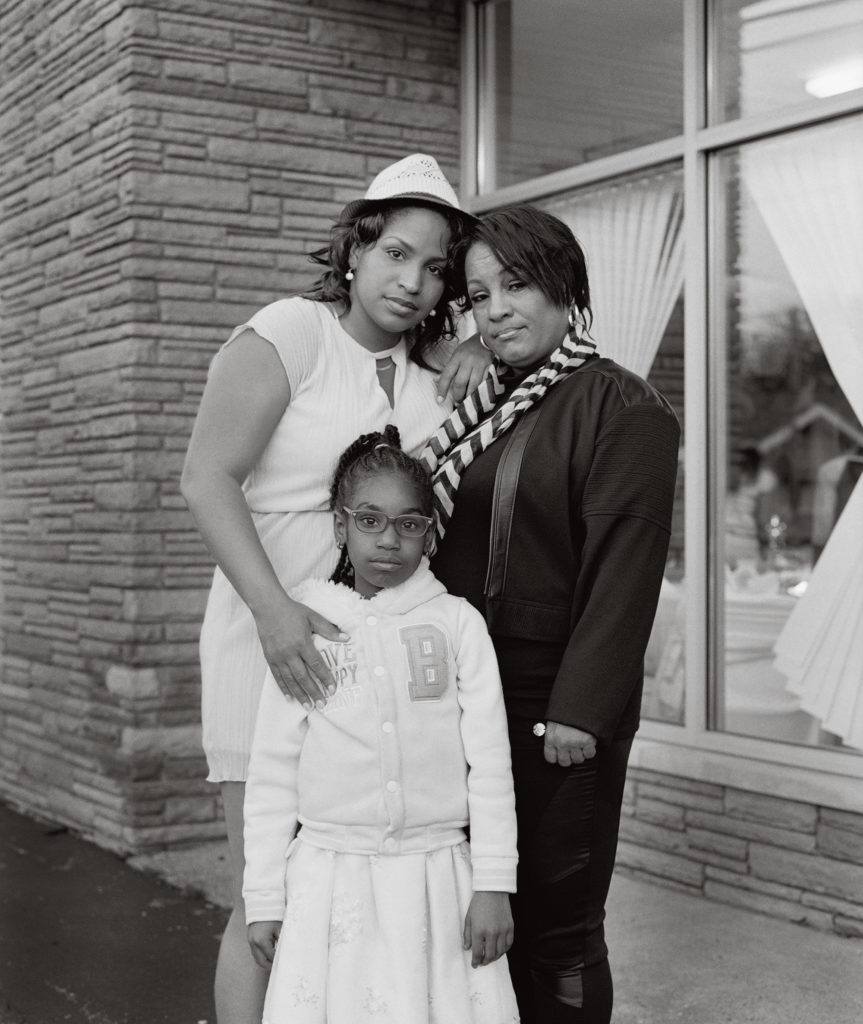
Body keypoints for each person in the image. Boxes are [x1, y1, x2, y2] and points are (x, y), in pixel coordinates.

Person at [180, 154, 491, 1023]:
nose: (412, 282)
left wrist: (473, 338)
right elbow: (206, 478)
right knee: (266, 896)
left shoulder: (438, 372)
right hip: (270, 645)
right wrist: (277, 617)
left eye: (435, 270)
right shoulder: (292, 333)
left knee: (350, 907)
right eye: (396, 253)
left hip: (377, 673)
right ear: (355, 248)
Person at [424, 204, 681, 1023]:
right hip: (461, 699)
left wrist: (582, 710)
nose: (495, 308)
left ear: (565, 286)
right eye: (478, 294)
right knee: (473, 914)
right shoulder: (484, 403)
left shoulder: (624, 407)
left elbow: (624, 573)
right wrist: (461, 346)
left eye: (517, 284)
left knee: (558, 924)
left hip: (552, 709)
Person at [242, 427, 520, 1024]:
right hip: (330, 881)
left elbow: (491, 762)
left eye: (408, 523)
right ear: (340, 526)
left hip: (437, 881)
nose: (389, 540)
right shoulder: (306, 630)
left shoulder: (456, 625)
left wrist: (494, 882)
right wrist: (264, 896)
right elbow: (270, 774)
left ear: (428, 531)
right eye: (369, 521)